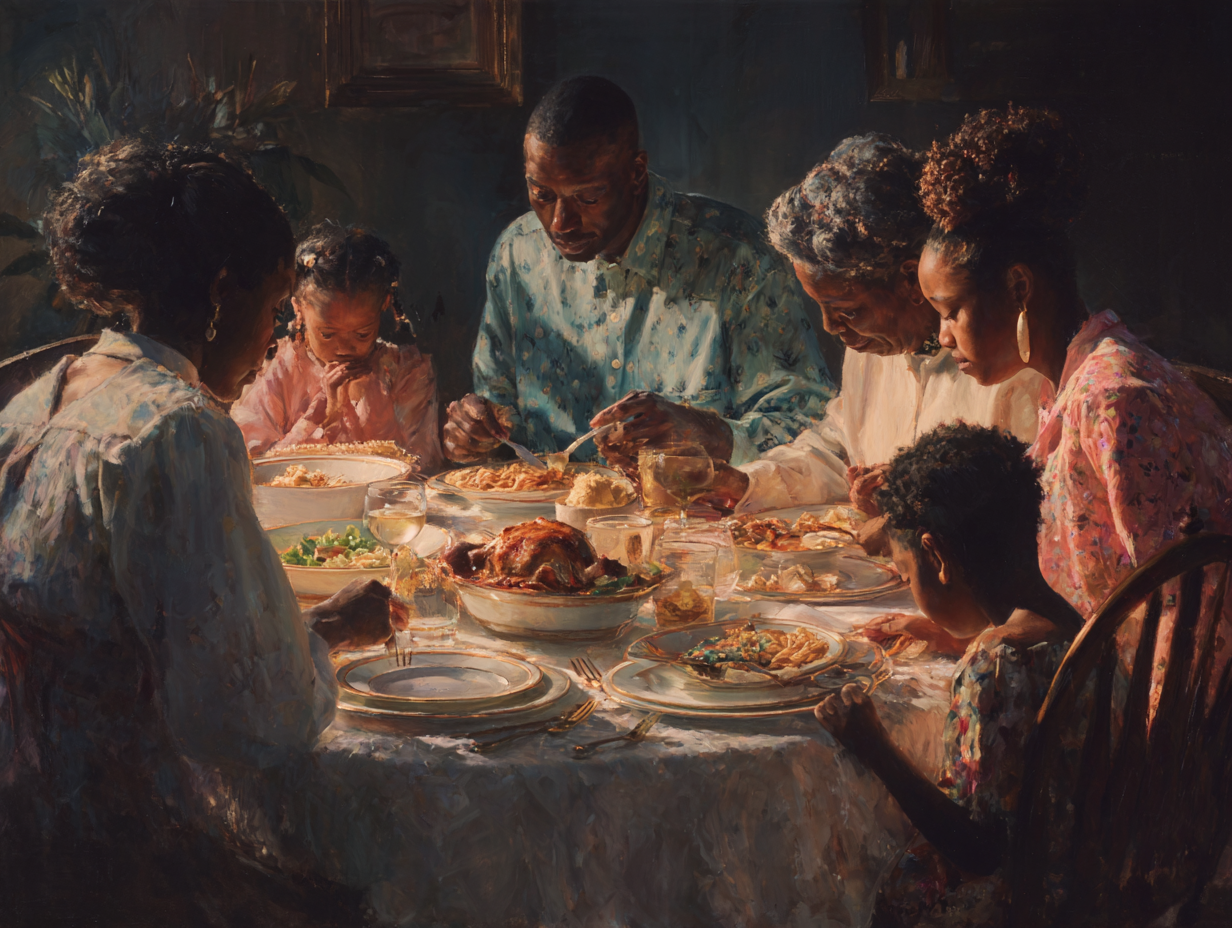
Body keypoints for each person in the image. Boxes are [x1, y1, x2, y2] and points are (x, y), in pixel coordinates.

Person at [0, 140, 394, 924]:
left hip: (22, 821)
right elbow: (253, 723)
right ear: (221, 291)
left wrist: (311, 625)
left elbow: (117, 630)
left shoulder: (47, 395)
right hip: (118, 850)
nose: (275, 333)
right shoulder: (181, 431)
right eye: (278, 302)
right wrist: (311, 652)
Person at [913, 105, 1232, 635]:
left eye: (951, 312)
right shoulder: (1066, 385)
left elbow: (1182, 626)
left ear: (1019, 287)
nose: (943, 338)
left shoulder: (1113, 399)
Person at [444, 76, 833, 469]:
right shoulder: (517, 253)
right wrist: (477, 433)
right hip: (543, 521)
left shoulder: (739, 255)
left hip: (692, 521)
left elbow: (806, 423)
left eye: (588, 197)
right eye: (542, 195)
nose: (560, 223)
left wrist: (708, 433)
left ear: (636, 172)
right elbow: (498, 414)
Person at [815, 423, 1083, 928]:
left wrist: (874, 745)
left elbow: (981, 851)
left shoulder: (996, 665)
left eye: (906, 570)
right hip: (1096, 873)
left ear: (937, 557)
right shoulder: (1077, 621)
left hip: (1029, 904)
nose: (909, 584)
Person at [702, 134, 1048, 512]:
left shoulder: (1012, 366)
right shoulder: (872, 350)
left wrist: (916, 498)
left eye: (848, 310)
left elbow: (1026, 512)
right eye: (820, 307)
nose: (831, 327)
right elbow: (838, 447)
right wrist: (746, 482)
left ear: (909, 280)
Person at [231, 223, 444, 472]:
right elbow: (253, 469)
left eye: (362, 333)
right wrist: (318, 417)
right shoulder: (274, 370)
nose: (344, 348)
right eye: (328, 334)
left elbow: (424, 465)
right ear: (299, 309)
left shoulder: (406, 371)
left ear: (384, 304)